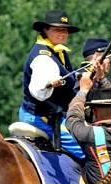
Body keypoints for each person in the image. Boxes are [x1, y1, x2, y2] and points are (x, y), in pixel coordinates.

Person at [19, 10, 86, 160]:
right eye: (57, 29)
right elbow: (38, 90)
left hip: (54, 114)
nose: (62, 33)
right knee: (86, 151)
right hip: (41, 117)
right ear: (45, 30)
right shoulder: (43, 57)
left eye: (65, 30)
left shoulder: (58, 51)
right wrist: (49, 83)